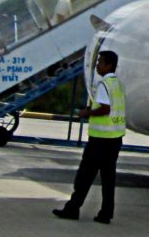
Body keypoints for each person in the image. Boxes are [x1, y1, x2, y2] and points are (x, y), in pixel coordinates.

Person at [53, 48, 125, 224]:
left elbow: (105, 109)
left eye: (100, 62)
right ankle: (106, 213)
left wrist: (87, 112)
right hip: (115, 138)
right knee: (108, 178)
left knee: (85, 175)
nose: (97, 66)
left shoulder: (103, 85)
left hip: (100, 139)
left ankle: (72, 208)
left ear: (109, 65)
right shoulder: (117, 84)